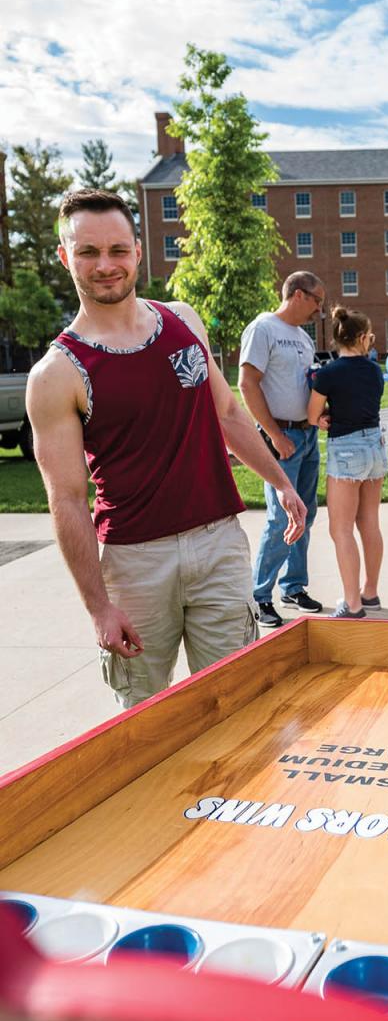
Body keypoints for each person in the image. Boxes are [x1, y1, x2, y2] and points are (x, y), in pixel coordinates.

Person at [27, 188, 307, 708]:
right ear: (66, 257)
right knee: (145, 718)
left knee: (238, 701)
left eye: (117, 250)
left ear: (138, 249)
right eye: (88, 252)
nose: (105, 265)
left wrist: (281, 481)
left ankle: (230, 795)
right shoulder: (56, 373)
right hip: (135, 564)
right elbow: (66, 499)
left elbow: (226, 413)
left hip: (219, 544)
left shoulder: (183, 320)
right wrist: (98, 608)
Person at [239, 272, 326, 626]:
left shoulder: (302, 339)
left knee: (306, 514)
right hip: (281, 438)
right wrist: (274, 434)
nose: (320, 309)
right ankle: (258, 597)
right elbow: (246, 384)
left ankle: (293, 586)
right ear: (299, 294)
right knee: (280, 518)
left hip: (306, 437)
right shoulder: (263, 329)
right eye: (317, 300)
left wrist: (320, 418)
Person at [307, 307, 387, 618]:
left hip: (346, 449)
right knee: (369, 523)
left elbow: (312, 415)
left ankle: (351, 604)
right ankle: (370, 593)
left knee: (340, 529)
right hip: (376, 447)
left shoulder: (327, 374)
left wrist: (324, 417)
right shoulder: (373, 370)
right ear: (363, 337)